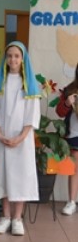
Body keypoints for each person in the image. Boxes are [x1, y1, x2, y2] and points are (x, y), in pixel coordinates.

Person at [0, 41, 41, 236]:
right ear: (5, 59)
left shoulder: (30, 85)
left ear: (23, 59)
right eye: (9, 56)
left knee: (21, 176)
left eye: (17, 56)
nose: (13, 59)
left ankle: (17, 218)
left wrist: (21, 137)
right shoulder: (1, 82)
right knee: (3, 175)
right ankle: (5, 217)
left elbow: (32, 114)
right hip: (3, 138)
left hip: (22, 140)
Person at [55, 63, 78, 215]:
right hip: (74, 134)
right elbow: (60, 112)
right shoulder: (70, 89)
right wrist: (67, 103)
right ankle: (71, 201)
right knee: (74, 169)